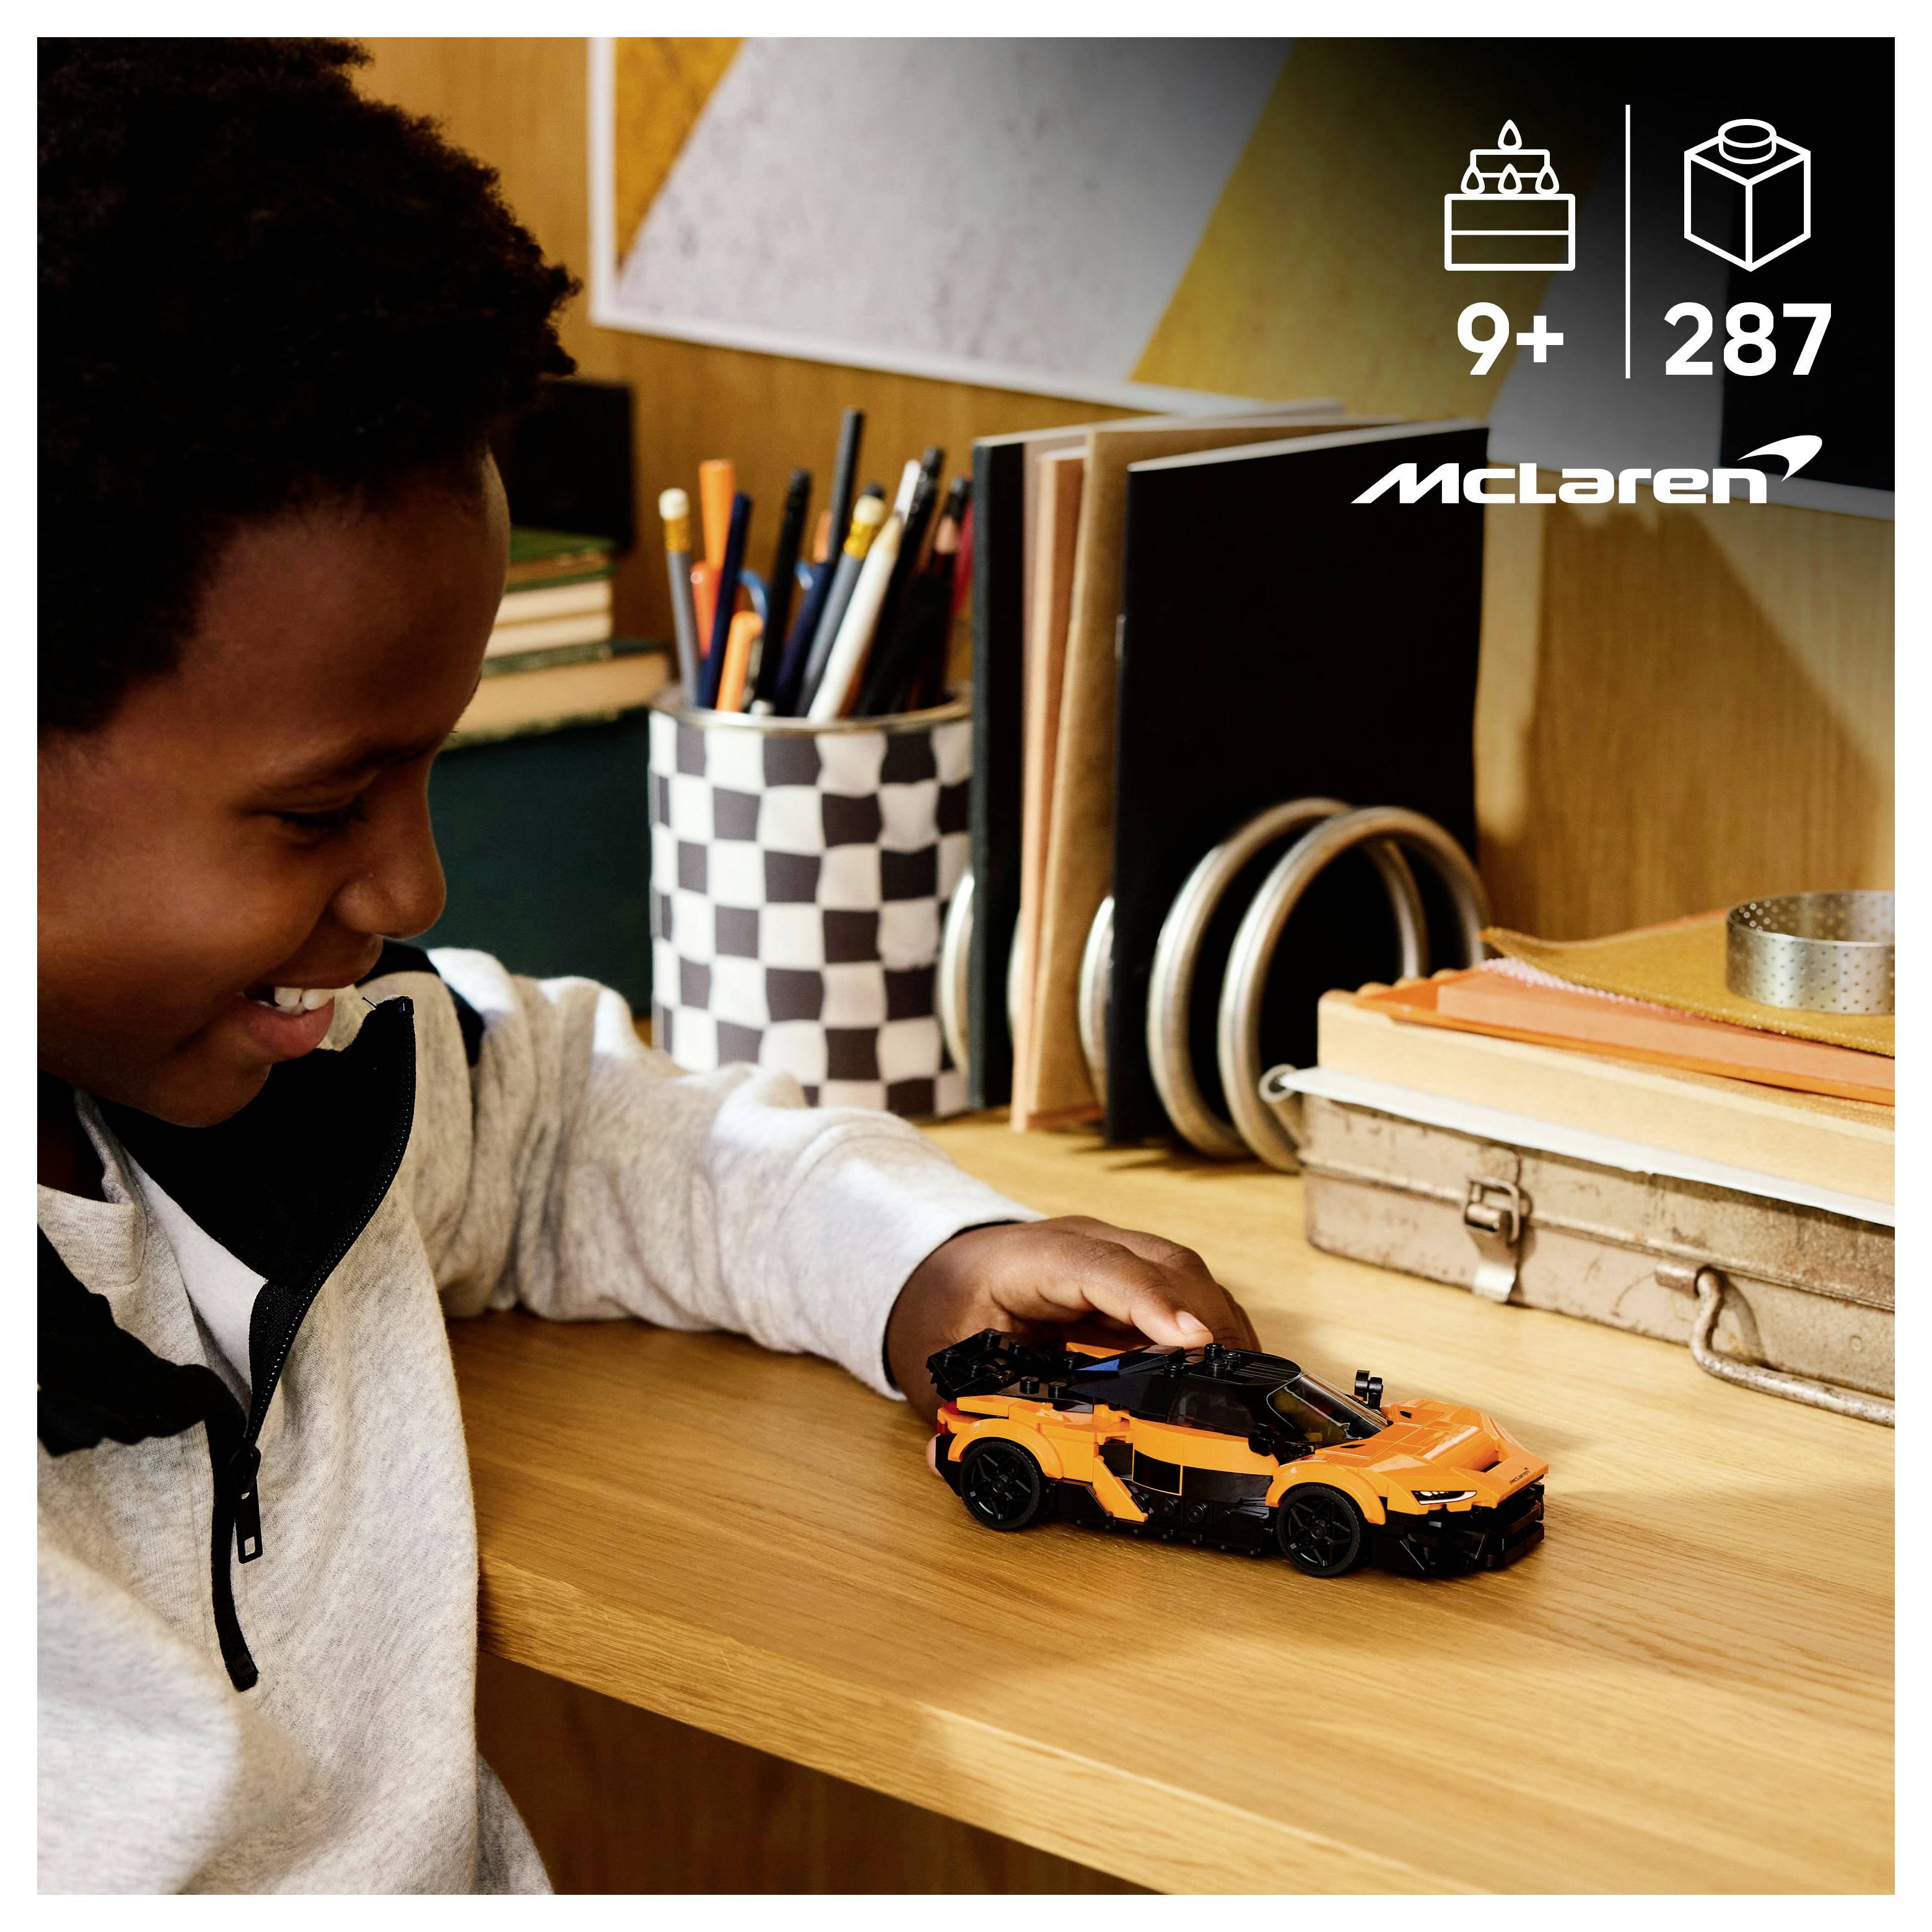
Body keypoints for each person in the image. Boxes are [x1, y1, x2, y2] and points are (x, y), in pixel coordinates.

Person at [37, 40, 1254, 1892]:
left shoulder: (324, 1080)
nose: (415, 883)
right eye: (320, 809)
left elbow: (576, 1130)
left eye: (428, 769)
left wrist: (924, 1260)